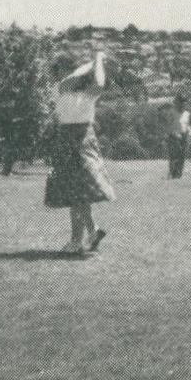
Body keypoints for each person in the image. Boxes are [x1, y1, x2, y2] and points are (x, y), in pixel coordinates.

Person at [44, 52, 115, 255]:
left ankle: (77, 240)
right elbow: (97, 82)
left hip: (69, 141)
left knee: (75, 193)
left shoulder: (59, 91)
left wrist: (94, 61)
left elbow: (73, 79)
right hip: (86, 140)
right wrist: (97, 60)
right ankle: (92, 231)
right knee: (81, 192)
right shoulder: (86, 95)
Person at [164, 95, 191, 179]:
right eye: (181, 103)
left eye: (185, 104)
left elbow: (187, 125)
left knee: (182, 155)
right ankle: (173, 173)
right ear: (178, 103)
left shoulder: (187, 113)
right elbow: (168, 124)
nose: (183, 105)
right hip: (174, 135)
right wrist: (171, 133)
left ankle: (179, 174)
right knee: (174, 155)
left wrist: (190, 132)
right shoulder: (172, 112)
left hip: (184, 135)